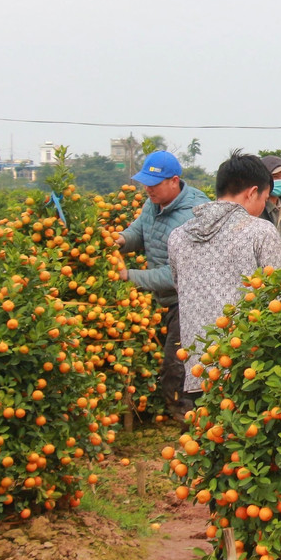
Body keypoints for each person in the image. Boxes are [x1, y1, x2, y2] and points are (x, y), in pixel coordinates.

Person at [169, 152, 281, 411]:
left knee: (208, 439)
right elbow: (280, 296)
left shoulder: (178, 237)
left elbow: (180, 288)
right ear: (252, 192)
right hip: (248, 368)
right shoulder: (259, 232)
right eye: (265, 198)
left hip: (200, 368)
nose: (263, 206)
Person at [114, 150, 210, 417]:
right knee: (176, 356)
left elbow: (179, 273)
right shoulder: (152, 204)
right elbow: (139, 231)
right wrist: (120, 239)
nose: (148, 189)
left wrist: (130, 276)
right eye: (145, 183)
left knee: (177, 361)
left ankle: (184, 413)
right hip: (166, 298)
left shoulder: (193, 215)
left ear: (174, 181)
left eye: (153, 184)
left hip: (190, 300)